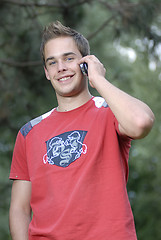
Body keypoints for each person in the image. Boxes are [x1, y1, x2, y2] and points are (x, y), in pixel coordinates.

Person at [9, 21, 155, 240]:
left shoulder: (110, 112)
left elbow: (141, 122)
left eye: (69, 58)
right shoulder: (29, 132)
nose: (61, 68)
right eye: (52, 62)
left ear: (86, 63)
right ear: (47, 72)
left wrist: (98, 79)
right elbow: (20, 208)